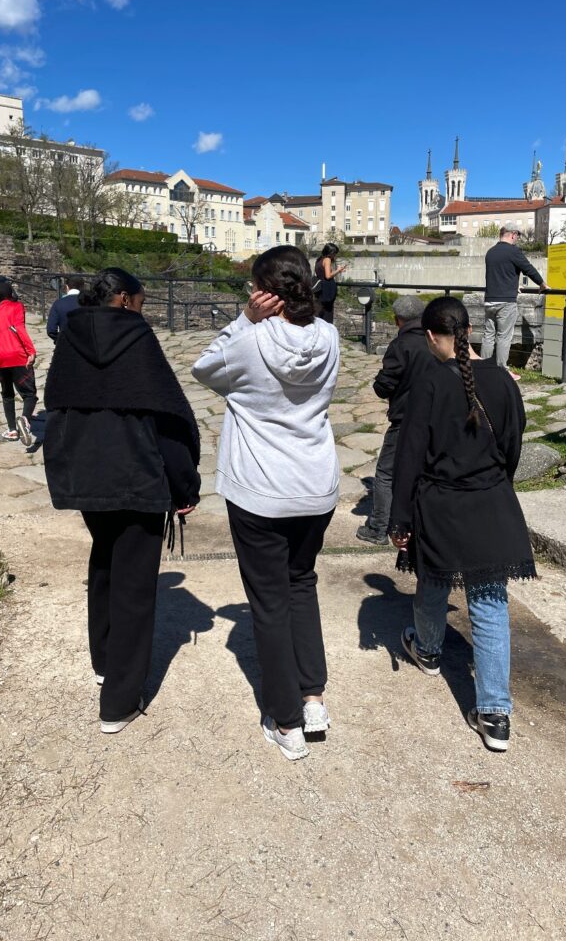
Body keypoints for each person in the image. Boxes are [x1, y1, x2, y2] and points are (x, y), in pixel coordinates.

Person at [192, 246, 340, 762]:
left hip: (260, 488)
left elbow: (203, 370)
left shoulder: (248, 341)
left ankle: (286, 719)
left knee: (270, 602)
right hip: (315, 483)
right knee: (302, 586)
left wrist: (243, 320)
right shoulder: (328, 335)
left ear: (261, 292)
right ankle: (313, 697)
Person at [44, 268, 200, 734]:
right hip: (137, 473)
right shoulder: (137, 337)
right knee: (134, 584)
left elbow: (59, 406)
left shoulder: (69, 335)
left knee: (105, 563)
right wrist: (184, 487)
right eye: (143, 299)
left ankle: (104, 661)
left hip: (88, 472)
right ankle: (119, 701)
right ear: (127, 300)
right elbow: (167, 419)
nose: (144, 308)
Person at [389, 296, 536, 753]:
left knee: (433, 580)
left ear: (433, 336)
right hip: (491, 504)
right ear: (469, 330)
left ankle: (429, 650)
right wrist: (491, 484)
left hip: (440, 504)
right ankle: (495, 714)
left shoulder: (430, 384)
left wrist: (399, 516)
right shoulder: (504, 382)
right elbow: (512, 445)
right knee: (490, 607)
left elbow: (408, 456)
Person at [356, 294, 435, 545]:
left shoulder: (401, 346)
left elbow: (384, 386)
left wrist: (379, 383)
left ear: (397, 319)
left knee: (386, 473)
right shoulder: (435, 340)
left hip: (405, 418)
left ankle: (379, 528)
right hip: (434, 417)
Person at [481, 223, 549, 380]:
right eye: (517, 235)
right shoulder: (513, 251)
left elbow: (498, 274)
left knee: (488, 336)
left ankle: (483, 368)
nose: (517, 238)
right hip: (505, 303)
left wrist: (513, 285)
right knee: (504, 337)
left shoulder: (490, 253)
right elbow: (528, 268)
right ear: (512, 234)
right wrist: (541, 283)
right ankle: (502, 371)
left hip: (490, 300)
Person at [0, 282, 38, 445]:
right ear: (12, 293)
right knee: (29, 394)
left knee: (7, 393)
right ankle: (24, 419)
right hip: (17, 355)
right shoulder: (17, 307)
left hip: (0, 357)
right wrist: (31, 351)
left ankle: (12, 430)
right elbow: (19, 329)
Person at [313, 242, 348, 324]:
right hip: (327, 290)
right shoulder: (327, 260)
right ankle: (327, 332)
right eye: (335, 253)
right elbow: (328, 276)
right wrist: (338, 271)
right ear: (331, 252)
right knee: (328, 313)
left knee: (320, 312)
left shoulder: (318, 260)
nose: (335, 256)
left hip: (320, 289)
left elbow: (319, 273)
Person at [46, 275, 85, 342]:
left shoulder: (58, 303)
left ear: (67, 287)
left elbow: (51, 330)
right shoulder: (90, 302)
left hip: (66, 344)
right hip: (86, 345)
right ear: (83, 287)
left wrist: (61, 341)